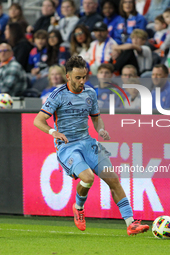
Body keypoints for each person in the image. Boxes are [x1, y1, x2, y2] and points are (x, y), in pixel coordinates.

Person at [33, 55, 149, 235]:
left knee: (113, 180)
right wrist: (53, 132)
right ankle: (78, 207)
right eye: (78, 77)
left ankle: (130, 223)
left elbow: (96, 119)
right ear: (68, 76)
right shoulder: (57, 95)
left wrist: (101, 129)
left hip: (88, 142)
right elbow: (38, 120)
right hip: (67, 146)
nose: (82, 81)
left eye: (84, 77)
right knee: (87, 178)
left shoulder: (90, 93)